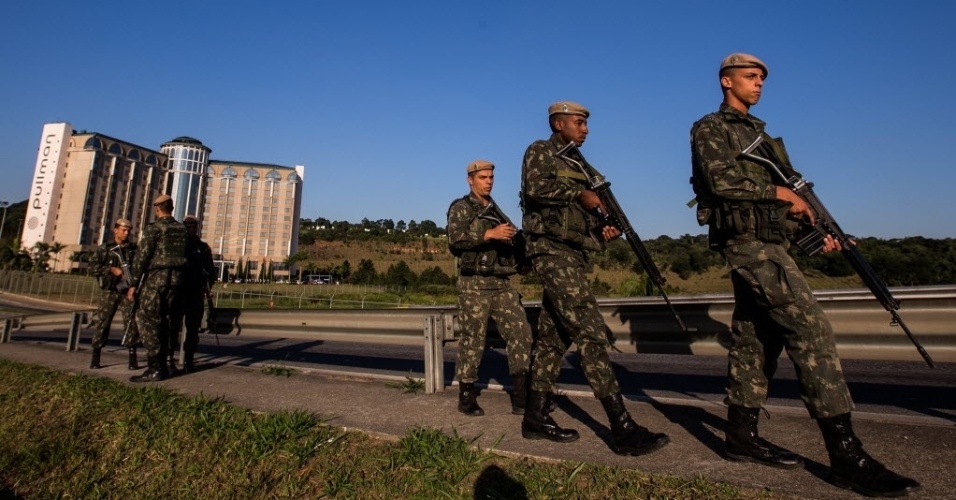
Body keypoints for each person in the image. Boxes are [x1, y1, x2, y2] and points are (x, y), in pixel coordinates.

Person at [690, 53, 920, 497]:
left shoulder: (763, 136)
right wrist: (775, 191)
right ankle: (846, 456)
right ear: (726, 81)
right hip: (748, 247)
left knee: (756, 340)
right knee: (811, 331)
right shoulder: (710, 127)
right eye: (750, 77)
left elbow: (790, 202)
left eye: (762, 79)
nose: (758, 84)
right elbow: (719, 182)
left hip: (772, 244)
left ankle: (740, 436)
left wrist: (817, 229)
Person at [518, 101, 670, 456]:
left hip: (572, 253)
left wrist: (601, 232)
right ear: (558, 123)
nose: (586, 129)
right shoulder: (541, 151)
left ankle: (535, 418)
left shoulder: (582, 165)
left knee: (553, 341)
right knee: (590, 333)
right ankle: (622, 428)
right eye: (579, 122)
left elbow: (582, 220)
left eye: (586, 123)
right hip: (551, 253)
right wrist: (581, 194)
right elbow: (534, 190)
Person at [447, 160, 534, 416]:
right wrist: (489, 235)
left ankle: (521, 396)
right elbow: (455, 241)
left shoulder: (497, 211)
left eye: (491, 177)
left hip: (501, 283)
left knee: (521, 334)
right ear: (470, 180)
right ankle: (466, 395)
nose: (489, 182)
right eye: (483, 177)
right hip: (473, 284)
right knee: (473, 340)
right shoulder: (461, 207)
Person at [126, 194, 188, 383]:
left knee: (147, 319)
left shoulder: (155, 229)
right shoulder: (182, 229)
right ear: (172, 208)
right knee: (167, 322)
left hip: (156, 280)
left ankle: (155, 368)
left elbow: (142, 257)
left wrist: (133, 284)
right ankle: (166, 363)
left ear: (157, 208)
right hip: (177, 281)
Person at [89, 218, 140, 370]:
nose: (126, 233)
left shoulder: (133, 249)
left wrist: (134, 287)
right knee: (103, 323)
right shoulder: (105, 249)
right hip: (109, 291)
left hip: (126, 292)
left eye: (129, 230)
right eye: (123, 230)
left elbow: (139, 269)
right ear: (115, 230)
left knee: (131, 323)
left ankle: (132, 357)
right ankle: (96, 356)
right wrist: (111, 270)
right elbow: (92, 268)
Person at [168, 215, 215, 374]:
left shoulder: (203, 247)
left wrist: (208, 286)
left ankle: (188, 361)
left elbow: (210, 270)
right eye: (188, 226)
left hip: (196, 293)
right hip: (179, 291)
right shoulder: (178, 246)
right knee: (173, 328)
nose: (191, 229)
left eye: (194, 226)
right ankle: (169, 359)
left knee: (193, 330)